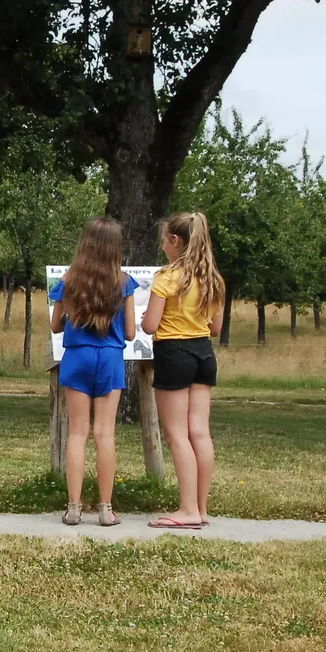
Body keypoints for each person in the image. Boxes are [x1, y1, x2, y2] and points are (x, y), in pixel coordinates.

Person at [49, 217, 138, 526]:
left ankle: (73, 508)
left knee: (77, 432)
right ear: (116, 247)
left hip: (77, 357)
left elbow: (55, 325)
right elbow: (129, 333)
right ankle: (105, 509)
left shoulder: (69, 280)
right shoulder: (124, 282)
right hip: (110, 358)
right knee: (104, 433)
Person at [140, 211, 224, 529]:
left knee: (176, 434)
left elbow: (150, 324)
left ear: (175, 241)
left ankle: (187, 509)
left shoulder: (167, 277)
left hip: (173, 353)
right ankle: (201, 508)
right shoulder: (213, 279)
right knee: (199, 431)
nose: (162, 246)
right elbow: (215, 328)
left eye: (164, 240)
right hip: (204, 354)